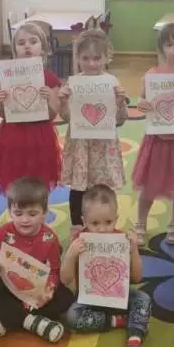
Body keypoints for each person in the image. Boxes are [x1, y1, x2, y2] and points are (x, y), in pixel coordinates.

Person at [0, 177, 74, 343]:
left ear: (44, 213)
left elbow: (54, 272)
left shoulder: (50, 238)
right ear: (10, 212)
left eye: (32, 214)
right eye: (18, 213)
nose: (24, 220)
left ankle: (8, 318)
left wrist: (48, 292)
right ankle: (30, 322)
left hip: (37, 292)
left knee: (66, 298)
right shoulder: (2, 233)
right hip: (8, 287)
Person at [132, 23, 174, 246]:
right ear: (161, 50)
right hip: (158, 140)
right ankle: (140, 223)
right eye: (170, 45)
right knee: (149, 184)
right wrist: (142, 103)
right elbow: (143, 100)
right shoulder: (152, 75)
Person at [61, 185, 150, 347]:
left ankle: (135, 341)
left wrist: (134, 251)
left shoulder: (122, 240)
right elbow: (65, 280)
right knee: (72, 316)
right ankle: (117, 321)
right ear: (83, 221)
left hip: (119, 297)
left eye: (108, 222)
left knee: (143, 298)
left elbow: (137, 278)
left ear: (116, 219)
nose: (102, 229)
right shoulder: (79, 242)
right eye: (95, 223)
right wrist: (71, 255)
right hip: (89, 300)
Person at [59, 29, 128, 233]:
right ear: (78, 59)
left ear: (106, 58)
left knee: (104, 188)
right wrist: (63, 101)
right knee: (79, 188)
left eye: (97, 58)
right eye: (85, 58)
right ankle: (77, 227)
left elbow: (120, 120)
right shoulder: (73, 83)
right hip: (81, 146)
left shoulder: (112, 83)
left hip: (104, 147)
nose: (91, 63)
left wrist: (120, 101)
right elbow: (67, 117)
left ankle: (105, 224)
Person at [0, 22, 62, 191]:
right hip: (13, 137)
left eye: (33, 41)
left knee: (40, 183)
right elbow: (2, 113)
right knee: (15, 183)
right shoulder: (8, 77)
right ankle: (16, 208)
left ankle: (39, 207)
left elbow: (53, 114)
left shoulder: (50, 78)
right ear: (14, 50)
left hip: (40, 137)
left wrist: (49, 98)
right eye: (21, 43)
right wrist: (1, 102)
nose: (27, 46)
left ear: (43, 49)